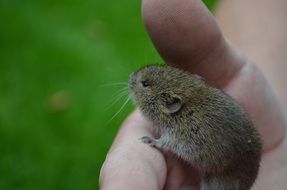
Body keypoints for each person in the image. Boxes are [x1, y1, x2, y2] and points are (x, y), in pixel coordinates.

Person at [99, 0, 287, 189]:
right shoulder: (191, 105)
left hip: (228, 175)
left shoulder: (183, 124)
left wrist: (161, 142)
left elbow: (183, 144)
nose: (132, 79)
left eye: (144, 84)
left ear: (170, 105)